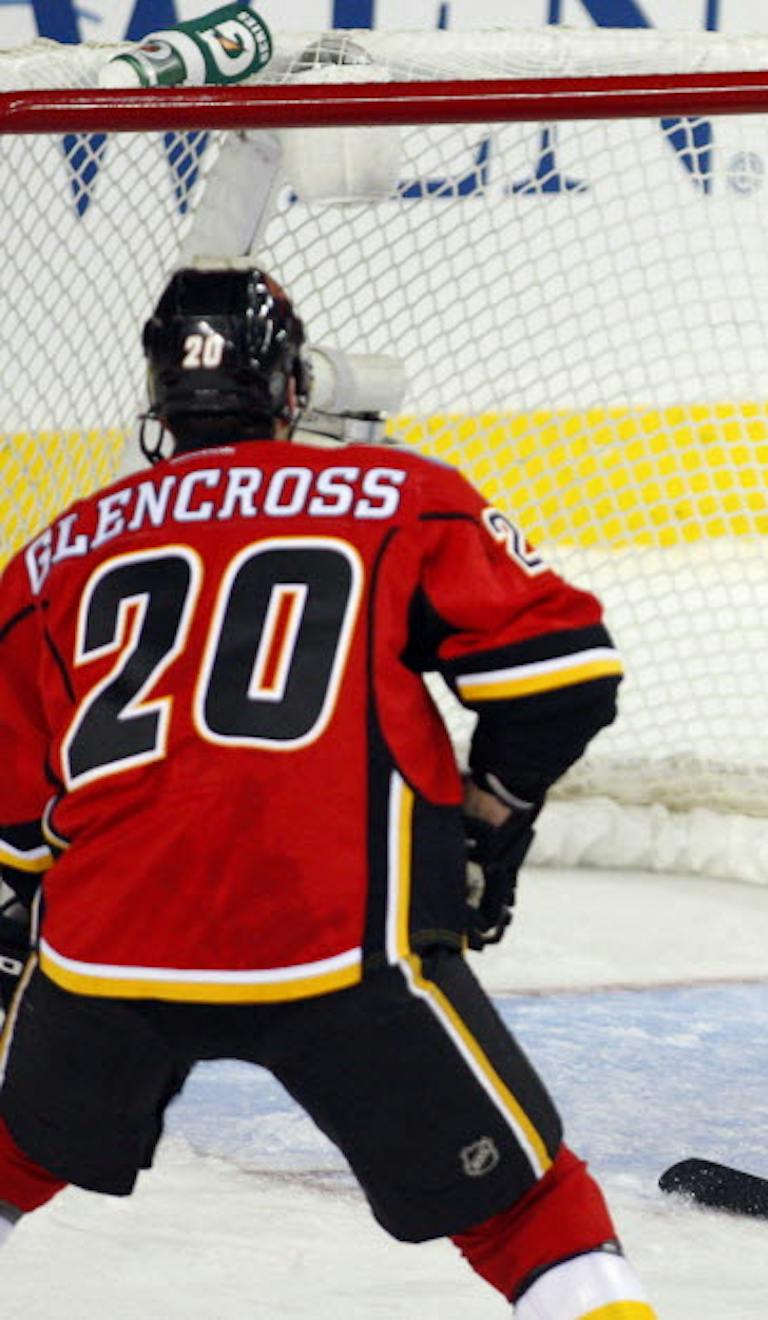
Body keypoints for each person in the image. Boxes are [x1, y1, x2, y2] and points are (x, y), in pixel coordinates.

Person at [0, 267, 656, 1318]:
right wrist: (489, 820)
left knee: (12, 1150)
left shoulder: (53, 553)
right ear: (291, 389)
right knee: (526, 1212)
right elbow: (564, 677)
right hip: (337, 945)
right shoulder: (401, 495)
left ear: (159, 399)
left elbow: (13, 806)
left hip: (106, 946)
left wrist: (13, 925)